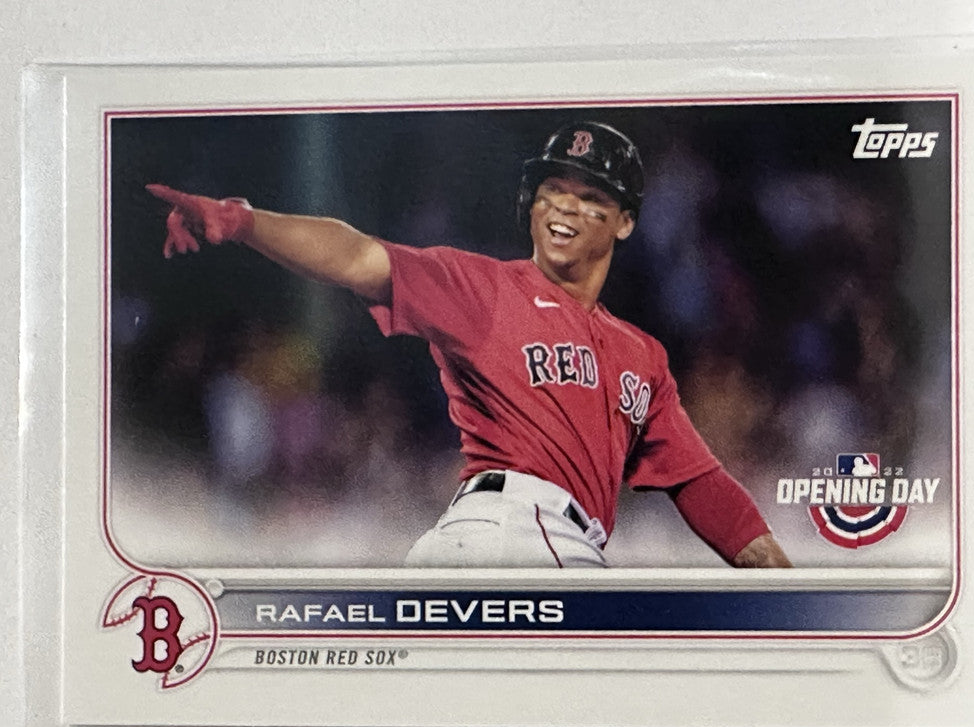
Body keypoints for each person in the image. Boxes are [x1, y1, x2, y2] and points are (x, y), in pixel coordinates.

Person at [147, 121, 792, 569]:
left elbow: (703, 486)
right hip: (522, 536)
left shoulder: (641, 356)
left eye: (590, 196)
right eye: (553, 189)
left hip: (485, 547)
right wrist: (243, 220)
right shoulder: (485, 288)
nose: (563, 208)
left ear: (625, 222)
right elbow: (357, 255)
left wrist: (790, 588)